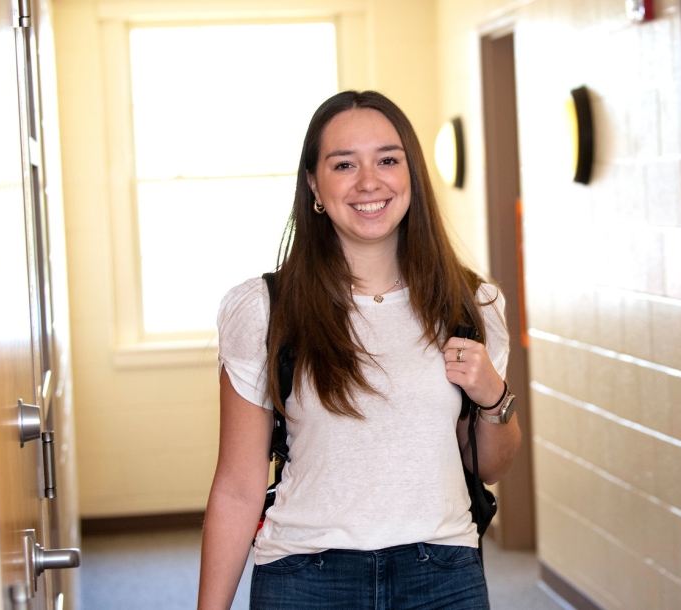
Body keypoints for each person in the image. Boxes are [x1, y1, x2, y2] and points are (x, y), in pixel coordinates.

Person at [197, 90, 522, 610]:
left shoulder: (470, 303)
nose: (369, 182)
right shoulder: (265, 309)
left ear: (411, 174)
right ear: (314, 185)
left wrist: (493, 397)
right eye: (344, 164)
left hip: (441, 574)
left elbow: (490, 467)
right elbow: (237, 487)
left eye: (388, 160)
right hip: (305, 575)